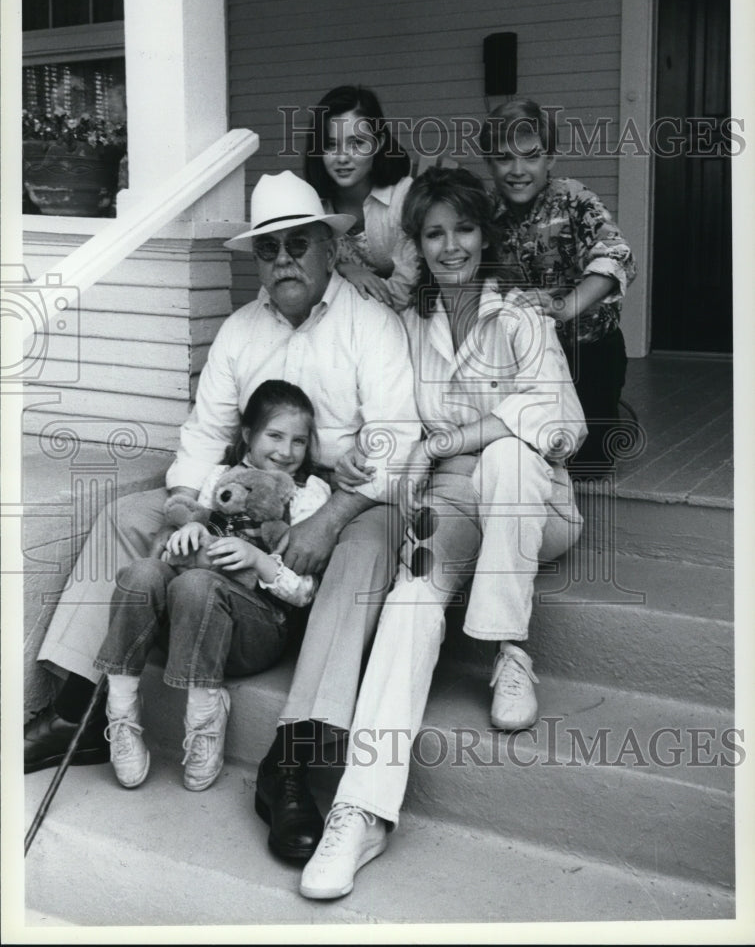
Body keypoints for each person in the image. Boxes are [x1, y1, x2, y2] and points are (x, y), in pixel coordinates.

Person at [25, 171, 421, 864]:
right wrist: (188, 509)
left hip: (341, 495)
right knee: (126, 514)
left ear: (328, 248)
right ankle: (79, 711)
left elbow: (396, 437)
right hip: (237, 493)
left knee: (364, 550)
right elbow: (202, 442)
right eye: (267, 252)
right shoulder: (240, 332)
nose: (283, 261)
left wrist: (331, 515)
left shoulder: (372, 325)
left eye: (297, 245)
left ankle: (292, 759)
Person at [297, 167, 586, 900]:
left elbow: (563, 424)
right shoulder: (409, 328)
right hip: (451, 506)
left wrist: (452, 439)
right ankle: (360, 813)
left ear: (484, 236)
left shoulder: (520, 318)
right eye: (433, 234)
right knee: (411, 595)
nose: (450, 246)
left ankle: (503, 645)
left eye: (462, 229)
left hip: (534, 503)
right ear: (418, 247)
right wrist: (376, 454)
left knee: (509, 455)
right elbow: (400, 431)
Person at [92, 380, 331, 792]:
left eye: (299, 441)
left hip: (255, 632)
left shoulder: (308, 493)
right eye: (274, 435)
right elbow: (189, 538)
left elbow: (304, 592)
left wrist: (258, 559)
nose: (286, 451)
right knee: (143, 572)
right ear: (247, 437)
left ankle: (205, 718)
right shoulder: (220, 477)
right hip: (186, 625)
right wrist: (186, 537)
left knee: (200, 583)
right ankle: (122, 714)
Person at [480, 98, 636, 471]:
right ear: (489, 163)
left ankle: (613, 411)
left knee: (589, 465)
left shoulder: (573, 198)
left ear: (550, 158)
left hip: (588, 350)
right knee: (534, 452)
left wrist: (564, 307)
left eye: (530, 156)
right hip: (524, 358)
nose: (517, 170)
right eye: (504, 158)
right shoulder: (484, 213)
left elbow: (618, 256)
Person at [304, 84, 418, 309]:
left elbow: (405, 292)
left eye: (357, 143)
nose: (342, 157)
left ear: (379, 143)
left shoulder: (405, 198)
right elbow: (306, 278)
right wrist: (345, 269)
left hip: (405, 321)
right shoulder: (314, 206)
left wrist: (336, 278)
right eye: (330, 145)